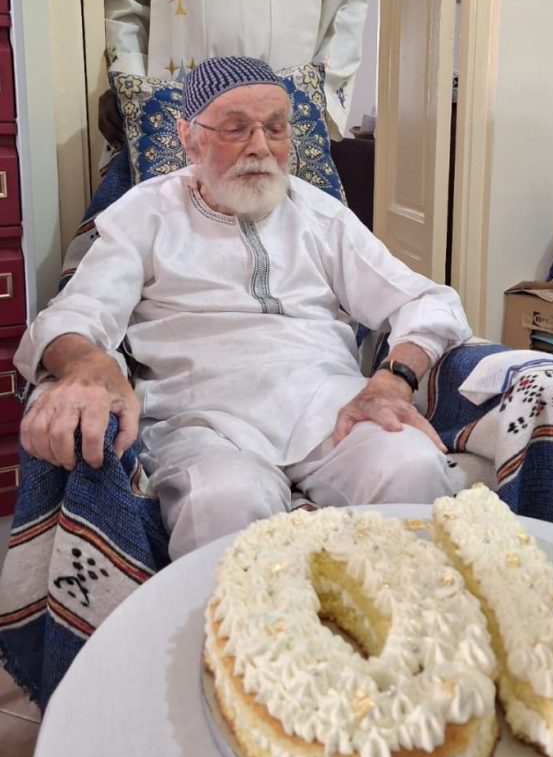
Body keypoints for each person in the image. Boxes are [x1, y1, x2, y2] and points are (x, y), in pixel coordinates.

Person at [15, 56, 471, 560]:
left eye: (275, 128)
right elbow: (74, 313)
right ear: (189, 135)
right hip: (204, 419)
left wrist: (393, 379)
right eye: (237, 128)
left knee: (413, 468)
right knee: (225, 503)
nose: (260, 147)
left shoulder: (318, 214)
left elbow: (427, 300)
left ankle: (409, 635)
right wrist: (85, 364)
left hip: (329, 408)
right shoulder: (146, 215)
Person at [99, 0, 368, 147]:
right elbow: (127, 5)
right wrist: (128, 85)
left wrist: (318, 103)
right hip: (176, 111)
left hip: (285, 116)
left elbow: (345, 11)